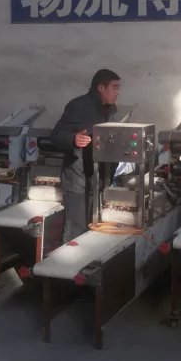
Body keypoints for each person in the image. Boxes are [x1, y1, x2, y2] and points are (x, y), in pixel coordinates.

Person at [50, 69, 121, 242]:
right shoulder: (78, 106)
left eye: (118, 88)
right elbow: (56, 135)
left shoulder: (111, 110)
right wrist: (73, 139)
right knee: (76, 229)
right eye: (114, 87)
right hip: (78, 180)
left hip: (99, 178)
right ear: (101, 88)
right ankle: (70, 257)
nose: (117, 92)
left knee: (94, 227)